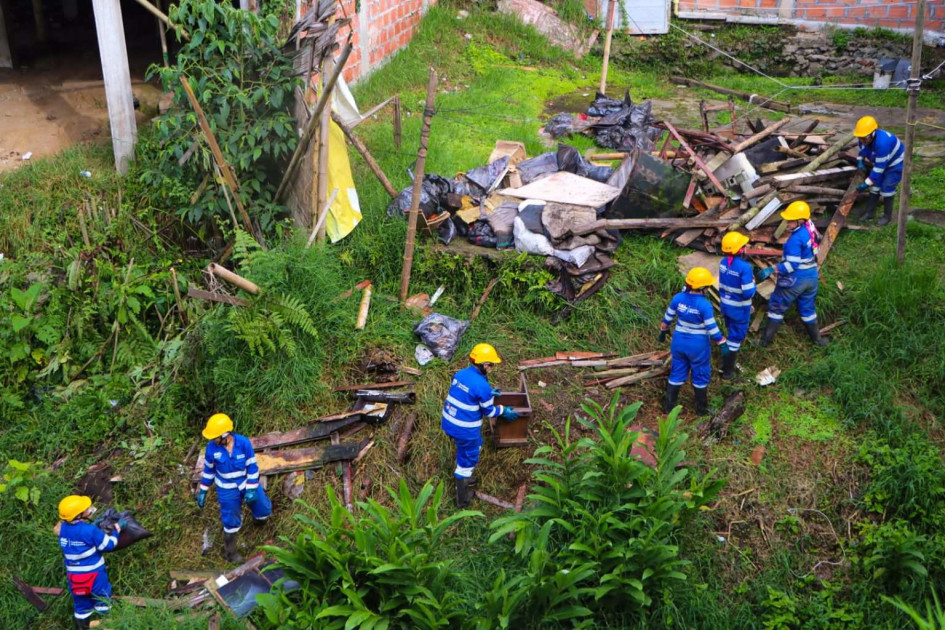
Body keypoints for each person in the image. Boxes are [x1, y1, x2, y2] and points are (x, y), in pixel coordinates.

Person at [441, 343, 519, 508]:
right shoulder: (482, 386)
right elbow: (489, 412)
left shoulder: (461, 374)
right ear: (484, 364)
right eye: (492, 365)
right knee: (470, 455)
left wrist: (488, 393)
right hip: (464, 428)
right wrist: (504, 410)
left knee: (466, 447)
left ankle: (465, 476)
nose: (492, 368)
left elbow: (468, 393)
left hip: (449, 421)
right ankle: (462, 496)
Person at [196, 413, 272, 563]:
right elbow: (209, 471)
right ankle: (230, 553)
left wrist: (250, 489)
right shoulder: (211, 449)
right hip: (227, 488)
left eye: (215, 437)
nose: (213, 440)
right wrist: (203, 490)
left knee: (263, 509)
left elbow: (252, 467)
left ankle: (259, 522)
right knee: (230, 519)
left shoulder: (243, 443)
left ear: (225, 435)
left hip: (246, 482)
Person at [757, 201, 827, 347]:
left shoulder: (795, 239)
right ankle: (818, 340)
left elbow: (791, 265)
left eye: (790, 220)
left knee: (777, 306)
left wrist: (772, 269)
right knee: (807, 309)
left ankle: (764, 342)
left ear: (800, 220)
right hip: (811, 277)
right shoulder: (810, 229)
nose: (787, 223)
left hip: (796, 279)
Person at [659, 267, 728, 416]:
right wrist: (721, 341)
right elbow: (711, 327)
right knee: (700, 374)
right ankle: (701, 410)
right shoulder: (704, 305)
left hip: (678, 343)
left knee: (677, 372)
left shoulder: (678, 298)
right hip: (697, 346)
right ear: (704, 288)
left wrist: (663, 330)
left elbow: (666, 320)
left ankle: (669, 408)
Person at [56, 495, 120, 629]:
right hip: (95, 576)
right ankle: (105, 625)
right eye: (85, 509)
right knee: (103, 601)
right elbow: (108, 545)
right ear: (79, 515)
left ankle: (82, 627)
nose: (89, 510)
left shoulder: (62, 529)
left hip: (74, 578)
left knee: (81, 606)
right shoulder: (89, 530)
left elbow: (76, 534)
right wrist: (116, 532)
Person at [852, 115, 904, 226]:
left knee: (886, 187)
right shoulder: (863, 139)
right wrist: (860, 161)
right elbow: (862, 151)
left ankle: (887, 216)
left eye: (864, 138)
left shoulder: (882, 144)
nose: (861, 140)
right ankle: (870, 213)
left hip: (895, 164)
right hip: (881, 161)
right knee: (875, 187)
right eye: (860, 137)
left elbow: (879, 168)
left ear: (873, 133)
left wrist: (866, 183)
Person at [718, 231, 757, 380]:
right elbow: (748, 293)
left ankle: (724, 364)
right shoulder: (745, 267)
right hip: (739, 309)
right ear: (740, 249)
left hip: (726, 306)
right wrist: (753, 284)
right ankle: (728, 371)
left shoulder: (723, 262)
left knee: (730, 334)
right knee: (736, 338)